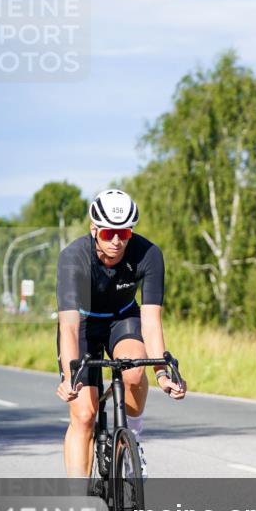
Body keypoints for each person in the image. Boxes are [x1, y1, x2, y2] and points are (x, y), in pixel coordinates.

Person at [55, 189, 186, 477]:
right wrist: (68, 376)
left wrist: (162, 374)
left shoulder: (148, 254)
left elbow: (151, 321)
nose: (116, 241)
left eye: (124, 234)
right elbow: (68, 325)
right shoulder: (73, 257)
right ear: (94, 230)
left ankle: (132, 442)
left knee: (135, 372)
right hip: (84, 326)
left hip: (123, 319)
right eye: (108, 234)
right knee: (84, 415)